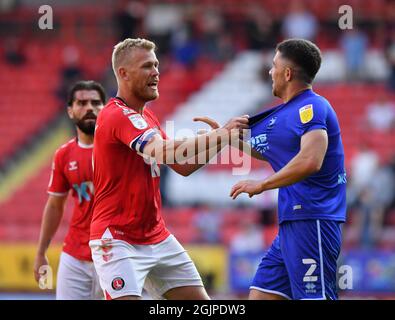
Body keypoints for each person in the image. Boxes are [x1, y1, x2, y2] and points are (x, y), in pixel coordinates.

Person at [89, 38, 248, 300]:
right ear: (123, 73)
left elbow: (182, 166)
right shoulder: (117, 115)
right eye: (147, 66)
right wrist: (219, 134)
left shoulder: (146, 117)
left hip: (156, 235)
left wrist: (223, 139)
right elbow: (167, 151)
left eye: (156, 65)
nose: (156, 72)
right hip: (117, 239)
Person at [230, 39, 347, 300]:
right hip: (291, 225)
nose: (270, 72)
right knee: (260, 295)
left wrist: (261, 185)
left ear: (287, 73)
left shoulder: (314, 107)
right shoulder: (281, 114)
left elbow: (310, 160)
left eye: (274, 66)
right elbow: (267, 148)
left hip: (313, 219)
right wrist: (226, 138)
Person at [34, 80, 106, 300]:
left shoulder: (120, 149)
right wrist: (41, 252)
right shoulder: (64, 155)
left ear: (106, 108)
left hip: (117, 254)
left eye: (96, 102)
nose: (89, 108)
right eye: (81, 103)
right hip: (75, 256)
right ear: (70, 110)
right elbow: (55, 205)